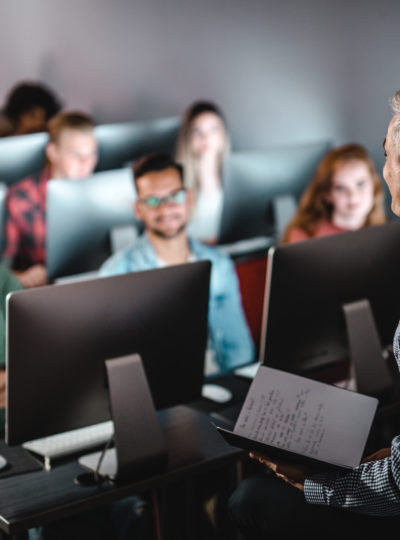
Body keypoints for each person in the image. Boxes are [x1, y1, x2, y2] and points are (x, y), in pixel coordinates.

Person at [228, 92, 400, 538]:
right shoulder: (304, 239)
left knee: (250, 502)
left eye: (389, 155)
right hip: (328, 383)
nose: (385, 172)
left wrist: (316, 484)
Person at [99, 152, 254, 375]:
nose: (166, 209)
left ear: (188, 199)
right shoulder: (117, 273)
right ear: (138, 209)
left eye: (175, 196)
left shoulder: (218, 263)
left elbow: (239, 347)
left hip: (221, 382)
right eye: (153, 200)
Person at [2, 110, 98, 288]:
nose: (86, 163)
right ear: (53, 152)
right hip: (43, 292)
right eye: (76, 154)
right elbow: (5, 266)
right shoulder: (21, 197)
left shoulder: (102, 193)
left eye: (92, 154)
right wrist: (22, 278)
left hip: (90, 284)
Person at [281, 143, 387, 244]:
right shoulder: (304, 236)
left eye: (360, 184)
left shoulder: (388, 232)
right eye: (340, 188)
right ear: (327, 194)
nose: (353, 196)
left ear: (374, 184)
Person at [175, 100, 230, 245]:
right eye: (197, 132)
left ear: (224, 135)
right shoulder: (177, 182)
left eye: (213, 130)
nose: (206, 138)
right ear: (188, 138)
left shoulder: (236, 178)